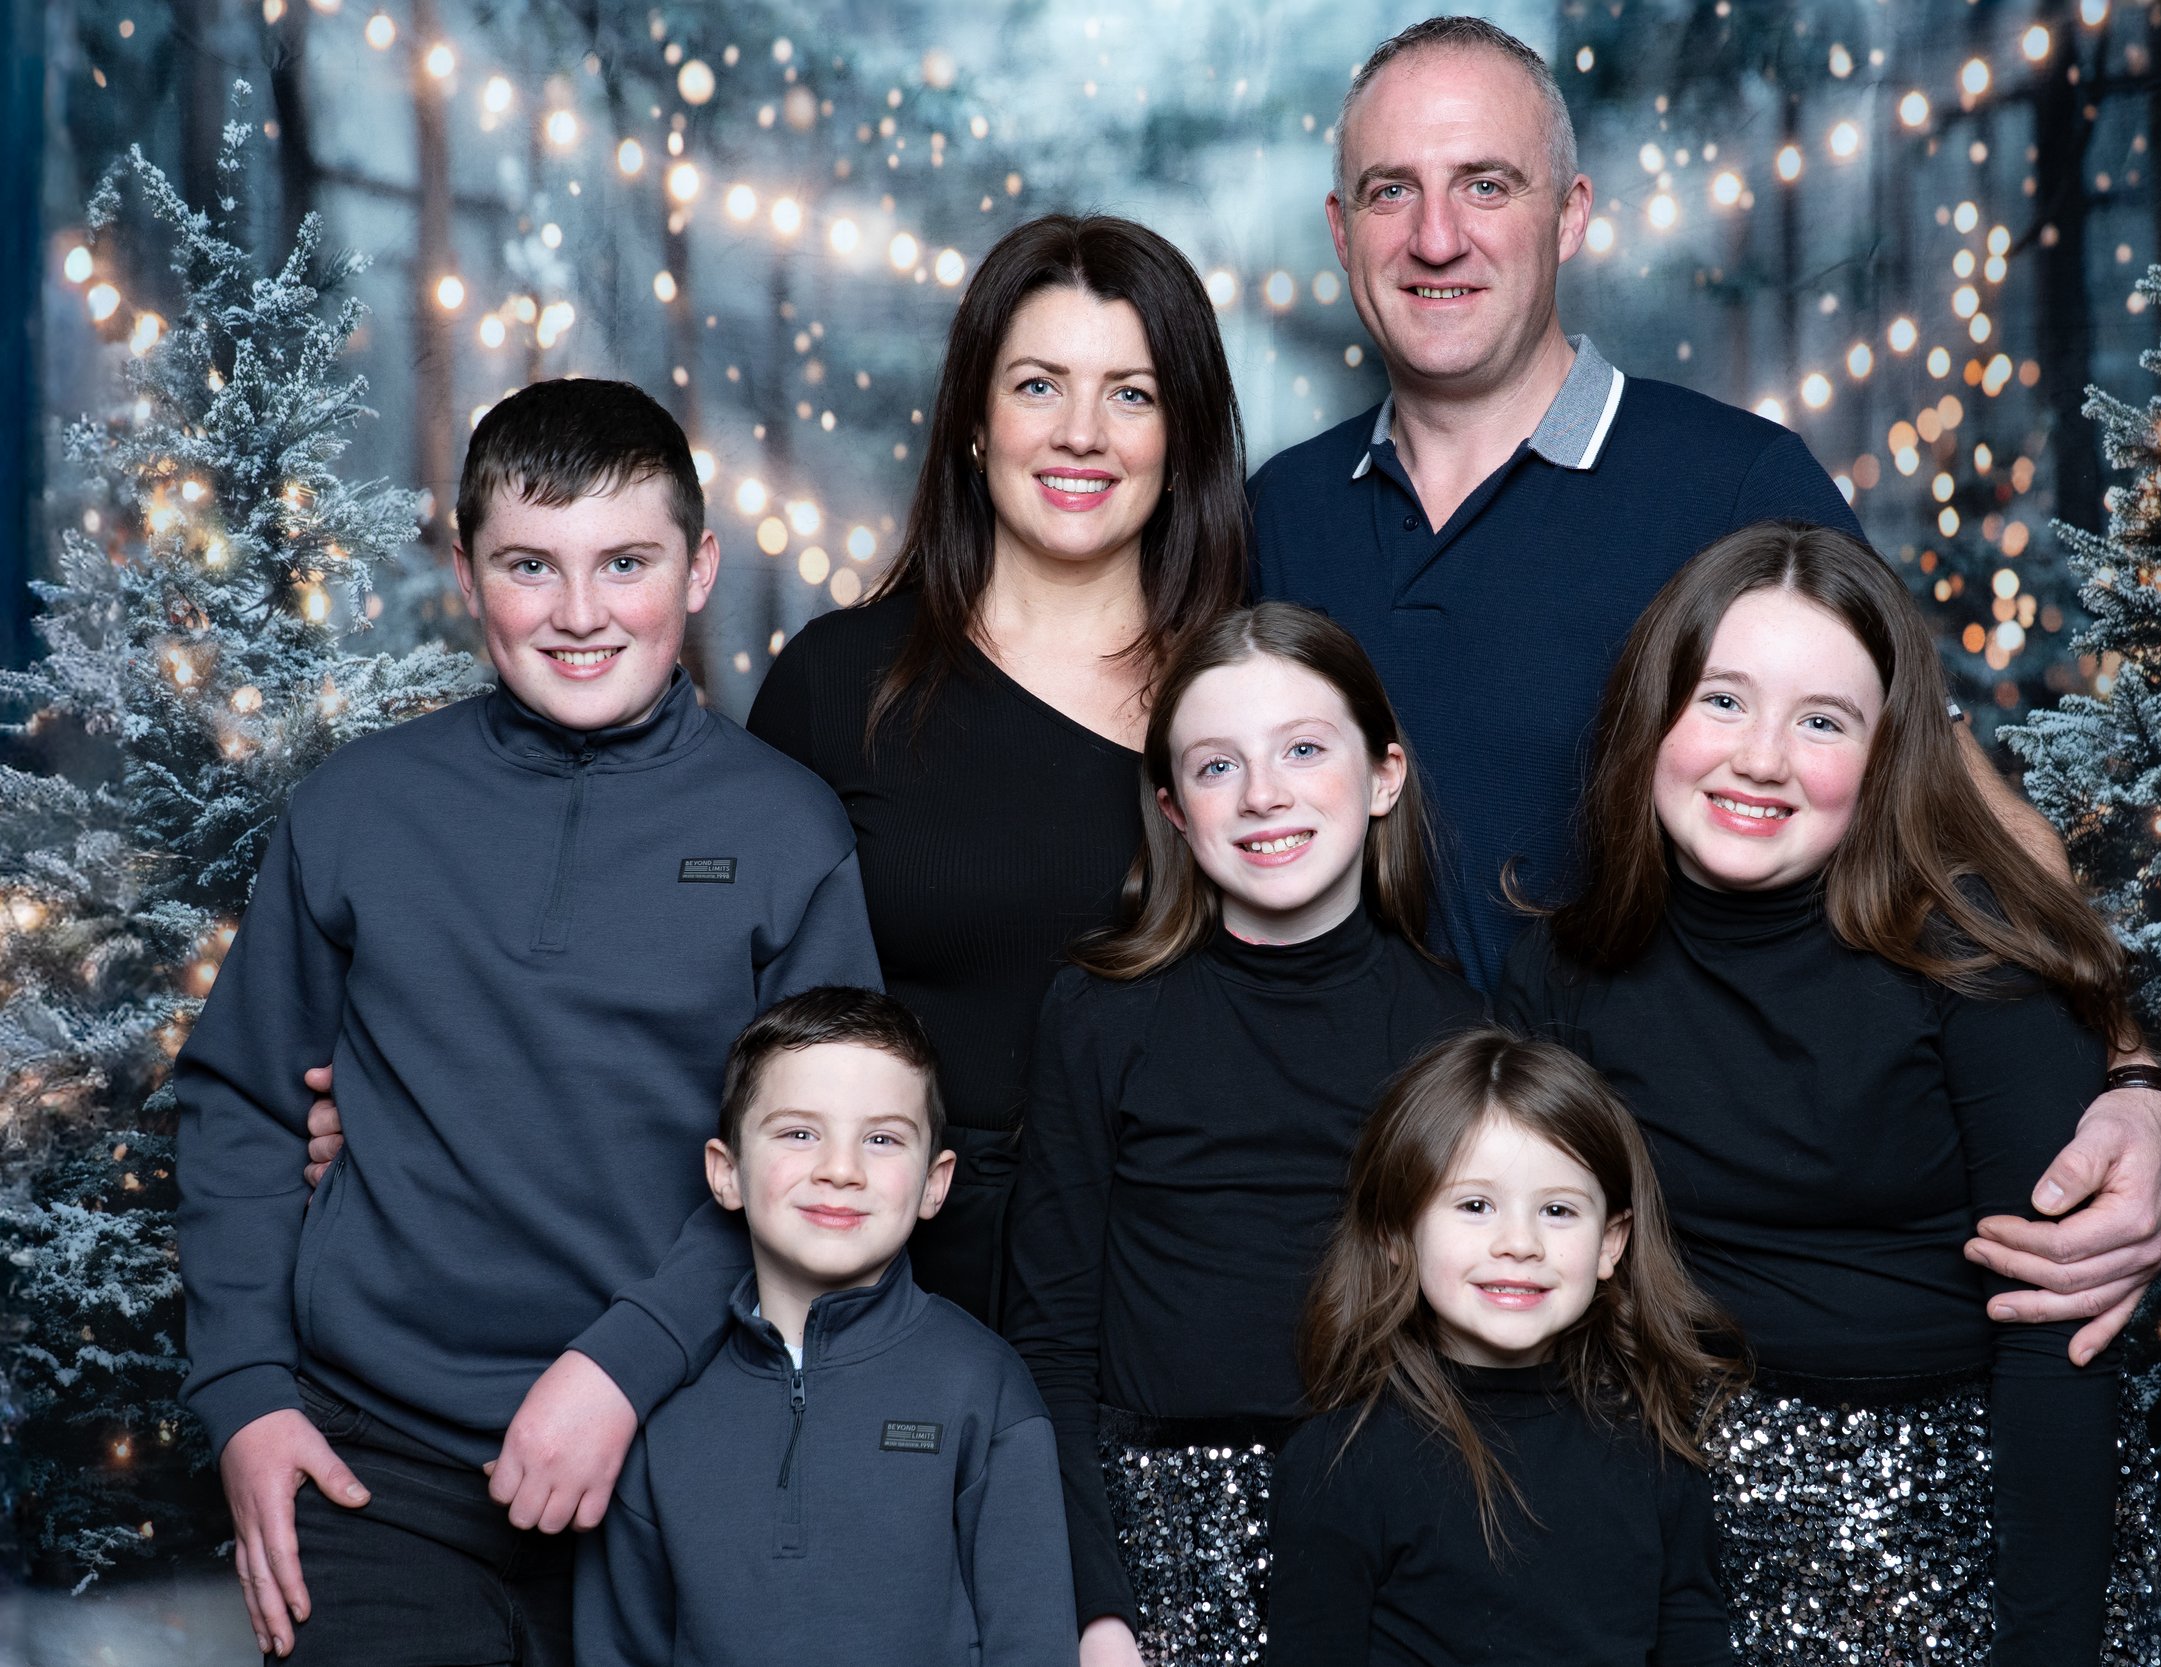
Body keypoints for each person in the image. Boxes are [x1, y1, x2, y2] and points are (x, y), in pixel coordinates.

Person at [1250, 13, 2161, 1366]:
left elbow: (1964, 820)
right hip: (1353, 1234)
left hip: (1655, 1273)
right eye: (1393, 191)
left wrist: (2140, 1081)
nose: (1436, 237)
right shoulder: (1282, 514)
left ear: (1571, 216)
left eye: (1487, 185)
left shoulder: (1736, 485)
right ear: (1342, 229)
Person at [177, 379, 882, 1663]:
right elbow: (241, 1102)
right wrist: (243, 1397)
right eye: (528, 564)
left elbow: (826, 1160)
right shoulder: (361, 807)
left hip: (674, 1445)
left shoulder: (786, 834)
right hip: (369, 1462)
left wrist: (625, 1360)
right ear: (465, 573)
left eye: (626, 562)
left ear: (701, 567)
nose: (577, 613)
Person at [1500, 521, 2161, 1663]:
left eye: (1822, 721)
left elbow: (2054, 1340)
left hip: (1954, 1530)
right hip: (1671, 1529)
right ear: (1649, 713)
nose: (1760, 757)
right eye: (1721, 700)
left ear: (1887, 755)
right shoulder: (1557, 972)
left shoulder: (1973, 957)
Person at [746, 213, 1250, 1326]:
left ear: (1182, 439)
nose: (1081, 433)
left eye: (1132, 392)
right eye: (1037, 386)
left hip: (1182, 1299)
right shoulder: (837, 683)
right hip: (882, 1298)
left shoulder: (1254, 708)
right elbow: (707, 1004)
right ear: (974, 424)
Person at [1003, 603, 1482, 1667]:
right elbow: (1051, 1338)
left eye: (1304, 749)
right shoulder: (1101, 1013)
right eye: (1218, 766)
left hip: (1392, 1542)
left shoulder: (1456, 1035)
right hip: (1158, 1539)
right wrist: (1096, 1609)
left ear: (1384, 775)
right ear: (1172, 808)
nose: (1263, 793)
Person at [573, 986, 1076, 1667]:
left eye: (882, 1138)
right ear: (726, 1173)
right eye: (799, 1132)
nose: (841, 1169)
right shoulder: (663, 1407)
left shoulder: (984, 1388)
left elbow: (1034, 1643)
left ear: (935, 1182)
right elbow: (619, 1648)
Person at [1269, 1029, 1740, 1666]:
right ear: (1396, 1234)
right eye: (1476, 1204)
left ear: (1611, 1243)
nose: (1519, 1243)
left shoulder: (1655, 1448)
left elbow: (1695, 1645)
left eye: (1558, 1211)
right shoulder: (1341, 1462)